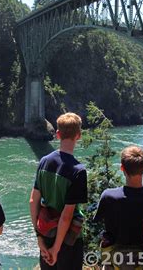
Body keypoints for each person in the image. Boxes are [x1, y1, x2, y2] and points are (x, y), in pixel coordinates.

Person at [29, 112, 87, 270]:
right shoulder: (78, 171)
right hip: (68, 241)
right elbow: (67, 216)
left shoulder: (44, 162)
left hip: (46, 234)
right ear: (79, 136)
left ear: (58, 134)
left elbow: (33, 201)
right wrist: (57, 248)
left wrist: (40, 238)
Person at [93, 145, 143, 269]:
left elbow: (96, 219)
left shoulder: (108, 195)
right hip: (140, 259)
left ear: (122, 168)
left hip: (113, 258)